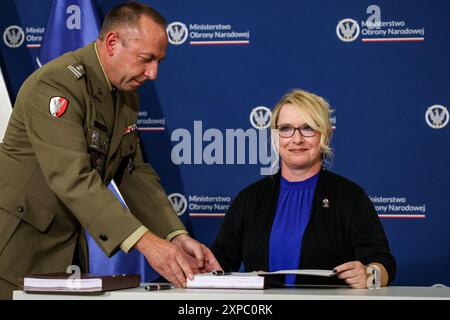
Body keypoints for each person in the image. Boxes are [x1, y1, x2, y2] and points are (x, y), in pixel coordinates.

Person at [0, 2, 220, 299]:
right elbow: (72, 177)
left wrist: (174, 235)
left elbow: (133, 172)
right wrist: (145, 241)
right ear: (113, 43)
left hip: (66, 248)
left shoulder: (126, 95)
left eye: (158, 62)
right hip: (15, 249)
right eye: (146, 59)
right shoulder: (55, 85)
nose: (153, 73)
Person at [211, 89, 396, 288]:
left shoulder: (350, 197)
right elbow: (219, 265)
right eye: (286, 129)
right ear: (275, 135)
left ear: (325, 134)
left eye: (307, 128)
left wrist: (371, 275)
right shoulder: (249, 199)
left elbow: (383, 262)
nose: (296, 139)